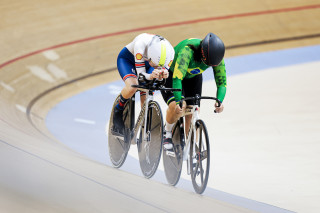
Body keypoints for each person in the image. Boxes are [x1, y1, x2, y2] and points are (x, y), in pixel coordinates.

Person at [160, 32, 227, 149]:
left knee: (193, 111)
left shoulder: (217, 58)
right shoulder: (187, 52)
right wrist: (178, 100)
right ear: (203, 54)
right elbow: (177, 77)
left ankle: (192, 148)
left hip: (193, 76)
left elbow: (222, 83)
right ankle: (167, 132)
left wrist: (219, 100)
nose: (210, 66)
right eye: (208, 64)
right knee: (178, 107)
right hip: (172, 74)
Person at [113, 33, 175, 135]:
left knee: (147, 91)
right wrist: (150, 76)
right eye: (152, 63)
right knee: (132, 86)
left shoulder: (170, 53)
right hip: (128, 60)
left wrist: (162, 75)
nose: (153, 65)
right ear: (149, 55)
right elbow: (141, 76)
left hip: (146, 63)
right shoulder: (140, 44)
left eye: (155, 65)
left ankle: (144, 123)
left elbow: (160, 76)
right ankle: (118, 109)